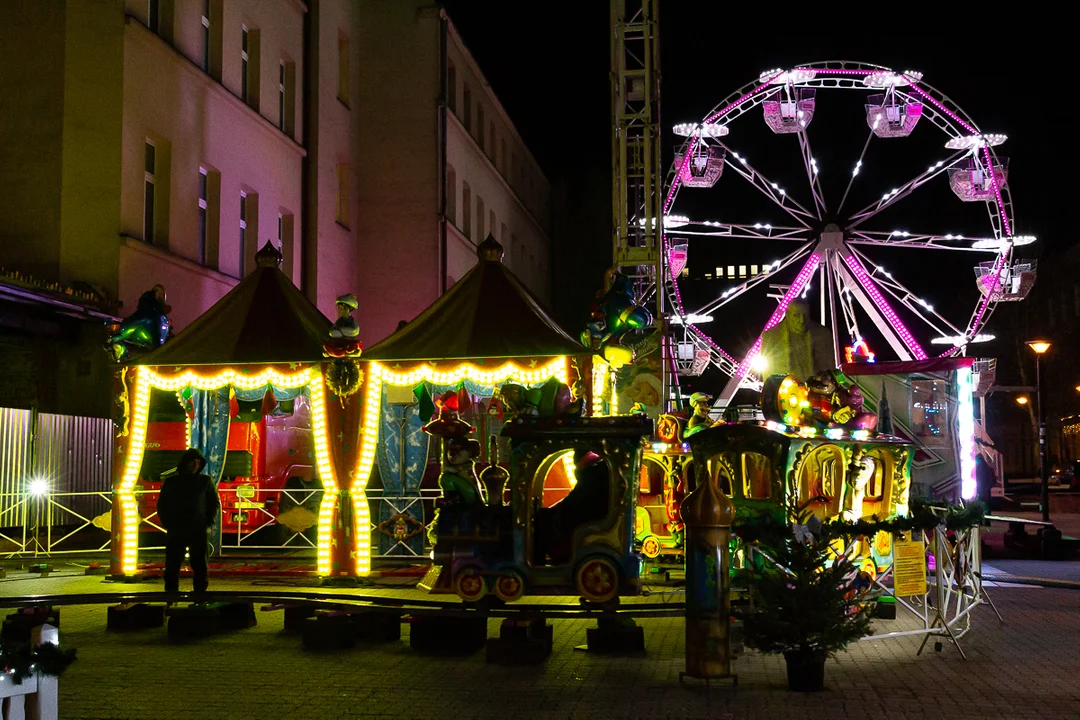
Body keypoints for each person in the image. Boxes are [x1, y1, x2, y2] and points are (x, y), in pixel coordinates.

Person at [157, 448, 220, 596]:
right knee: (173, 564)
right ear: (185, 463)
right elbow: (162, 505)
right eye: (192, 462)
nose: (195, 465)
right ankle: (171, 594)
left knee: (199, 564)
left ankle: (199, 594)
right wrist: (167, 523)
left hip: (197, 528)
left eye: (198, 463)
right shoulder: (172, 482)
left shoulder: (205, 481)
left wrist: (207, 521)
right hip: (176, 528)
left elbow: (213, 503)